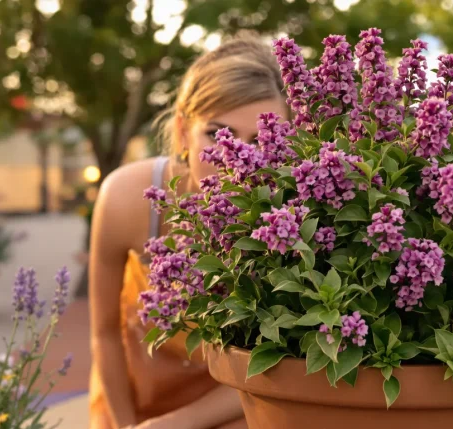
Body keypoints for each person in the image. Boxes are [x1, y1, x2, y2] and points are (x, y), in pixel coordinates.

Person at [88, 37, 288, 429]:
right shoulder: (128, 199)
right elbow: (104, 335)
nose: (237, 162)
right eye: (217, 134)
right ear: (182, 131)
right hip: (131, 403)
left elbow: (278, 366)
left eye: (261, 141)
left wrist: (176, 425)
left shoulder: (290, 225)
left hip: (237, 409)